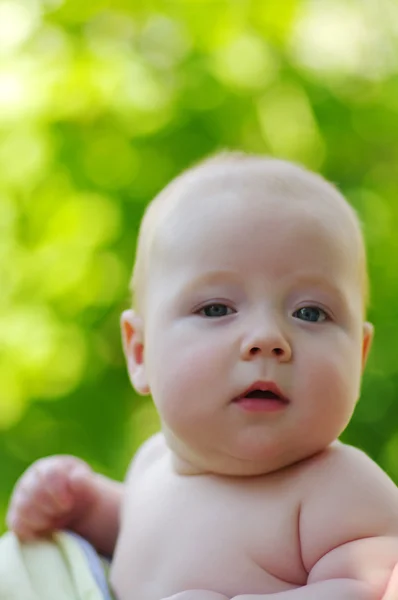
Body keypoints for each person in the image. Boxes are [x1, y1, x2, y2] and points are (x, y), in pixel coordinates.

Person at [6, 153, 398, 600]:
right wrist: (83, 507)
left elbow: (368, 589)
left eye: (310, 312)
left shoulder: (342, 491)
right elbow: (143, 537)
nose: (268, 339)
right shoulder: (153, 463)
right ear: (140, 352)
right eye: (216, 309)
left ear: (360, 358)